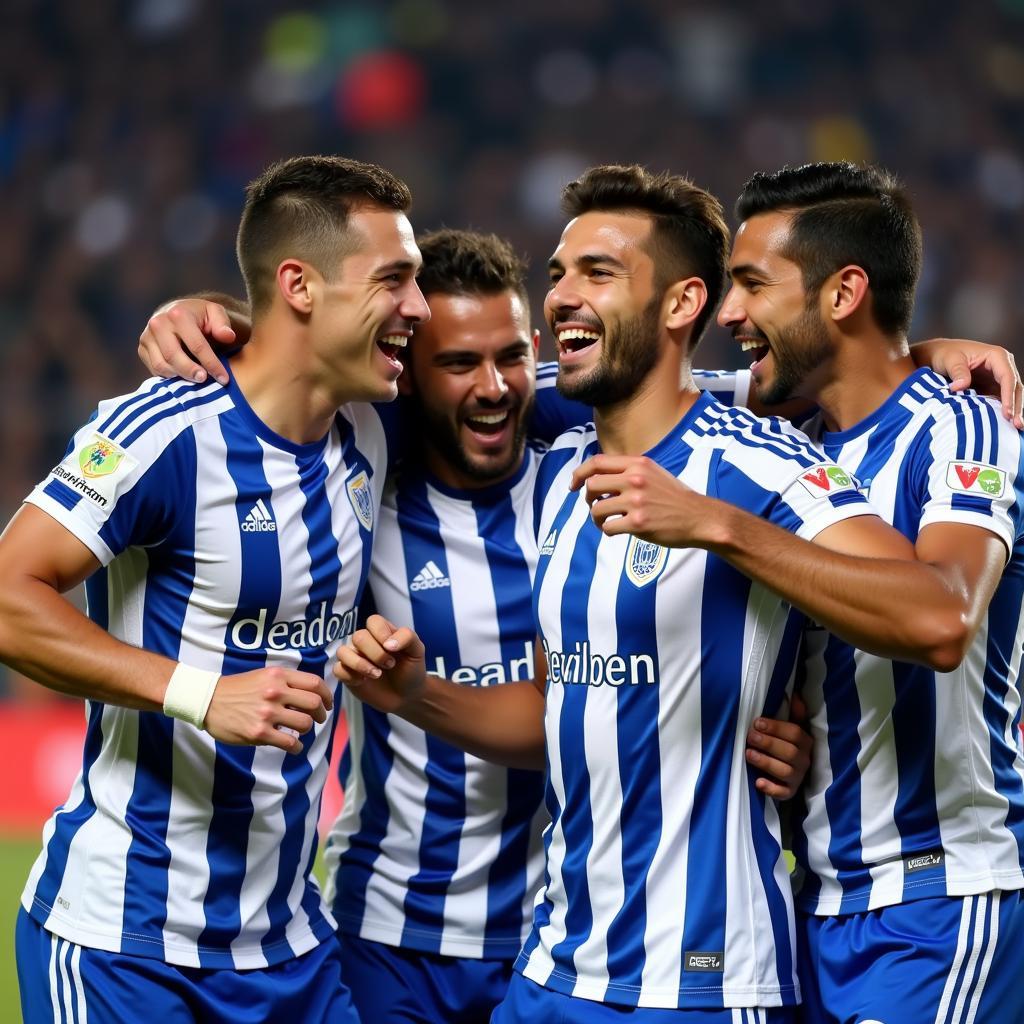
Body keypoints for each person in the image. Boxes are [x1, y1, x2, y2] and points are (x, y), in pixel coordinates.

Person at [336, 164, 1001, 1022]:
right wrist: (418, 695)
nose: (563, 298)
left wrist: (716, 523)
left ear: (683, 305)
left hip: (703, 979)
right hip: (554, 971)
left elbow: (931, 614)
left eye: (599, 275)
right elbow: (557, 707)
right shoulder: (565, 484)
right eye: (560, 276)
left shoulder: (762, 459)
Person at [139, 227, 815, 1024]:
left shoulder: (586, 472)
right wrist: (212, 315)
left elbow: (773, 386)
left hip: (561, 937)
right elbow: (293, 362)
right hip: (388, 941)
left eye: (512, 358)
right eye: (458, 365)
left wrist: (923, 353)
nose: (493, 387)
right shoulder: (360, 484)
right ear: (406, 374)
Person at [0, 154, 430, 1023]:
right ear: (300, 285)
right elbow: (9, 594)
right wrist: (201, 695)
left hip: (290, 948)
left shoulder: (371, 428)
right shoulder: (163, 430)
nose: (416, 308)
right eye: (394, 280)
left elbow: (523, 382)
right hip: (128, 948)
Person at [713, 162, 1024, 1024]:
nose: (728, 314)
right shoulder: (785, 437)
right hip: (815, 904)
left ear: (844, 292)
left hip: (941, 899)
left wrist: (730, 529)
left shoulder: (963, 426)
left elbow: (946, 619)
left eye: (752, 285)